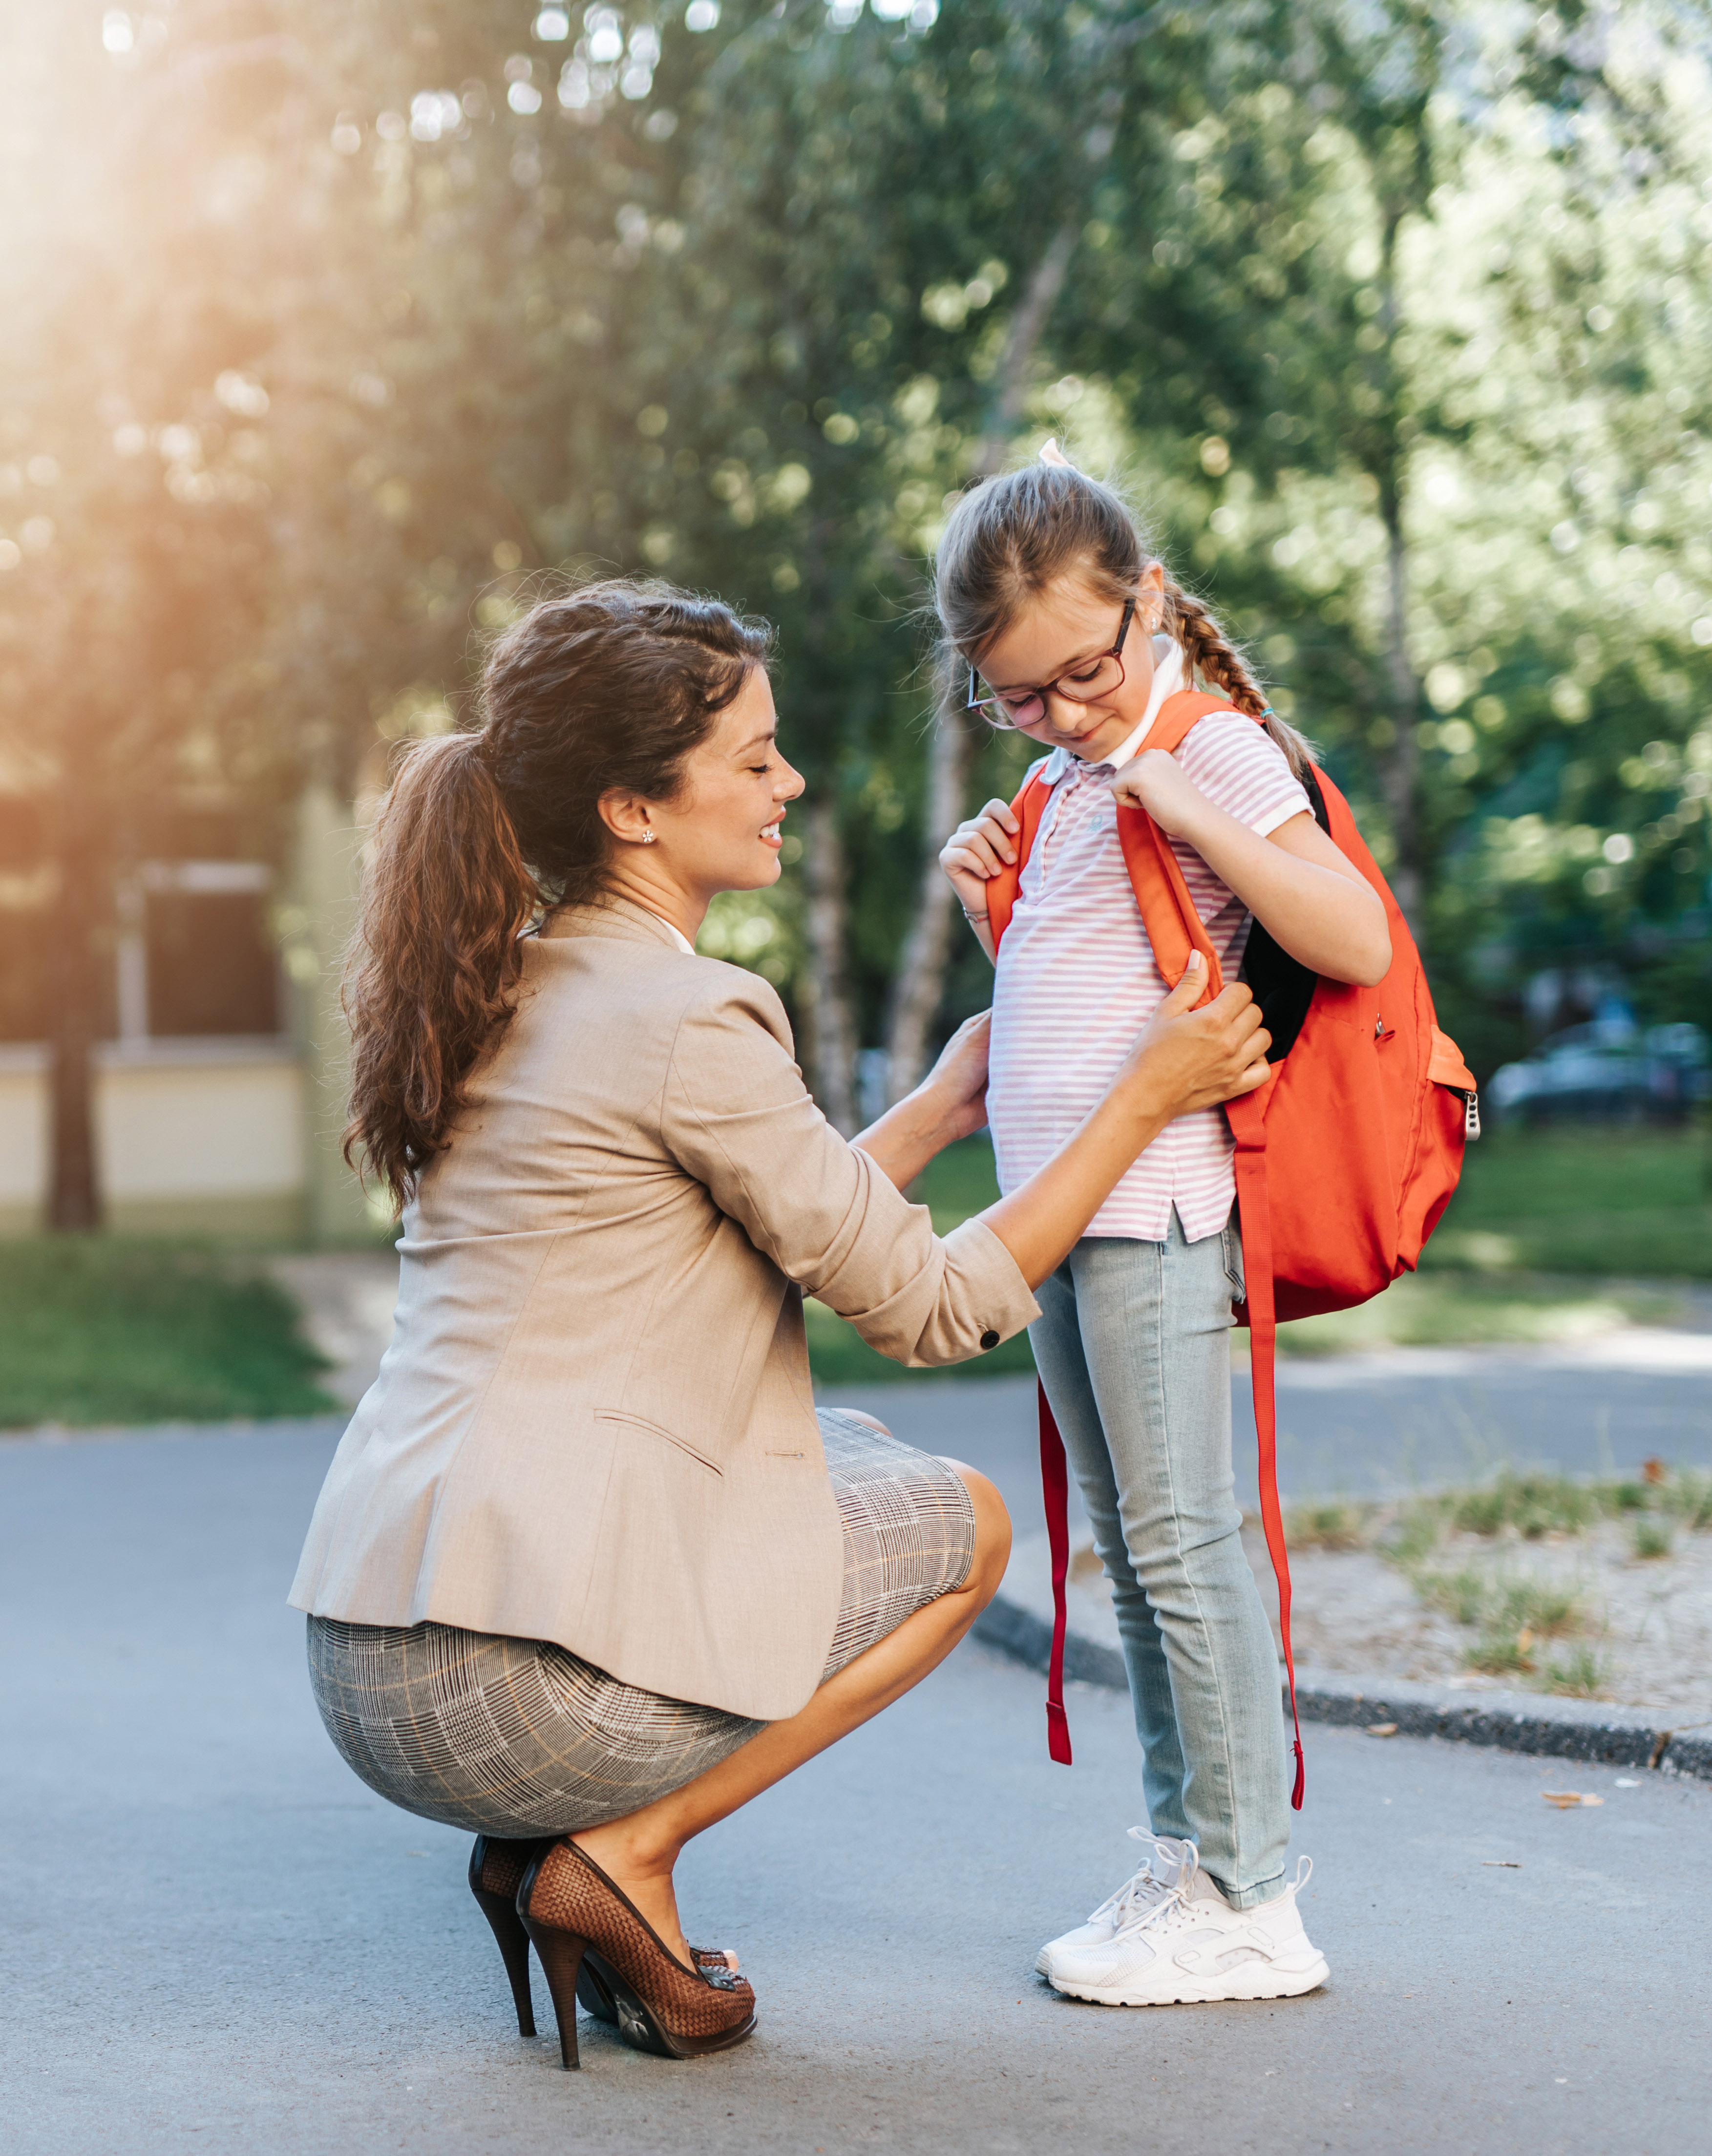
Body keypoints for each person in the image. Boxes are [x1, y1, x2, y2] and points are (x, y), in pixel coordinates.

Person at [289, 577, 1272, 2066]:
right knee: (967, 1525)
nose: (788, 782)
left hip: (375, 1658)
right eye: (754, 759)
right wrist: (1146, 1094)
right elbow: (934, 1308)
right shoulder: (695, 1015)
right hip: (516, 1684)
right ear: (632, 807)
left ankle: (574, 1859)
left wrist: (943, 1106)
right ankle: (623, 1855)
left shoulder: (498, 987)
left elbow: (779, 1232)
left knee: (842, 1448)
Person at [935, 448, 1391, 2006]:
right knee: (1138, 1555)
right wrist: (991, 900)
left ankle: (1256, 1894)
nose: (1063, 712)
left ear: (1144, 605)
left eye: (1083, 670)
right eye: (1018, 696)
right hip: (1065, 1221)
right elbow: (1083, 988)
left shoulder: (1210, 747)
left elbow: (1353, 938)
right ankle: (1187, 1858)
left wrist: (1185, 790)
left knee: (1191, 1547)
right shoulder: (1063, 780)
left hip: (1164, 1209)